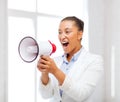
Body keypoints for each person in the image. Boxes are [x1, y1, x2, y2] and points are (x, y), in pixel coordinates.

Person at [37, 16, 104, 102]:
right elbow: (46, 95)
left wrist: (55, 71)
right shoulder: (55, 61)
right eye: (60, 32)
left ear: (80, 34)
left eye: (67, 32)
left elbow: (81, 94)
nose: (62, 36)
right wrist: (44, 72)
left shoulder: (95, 61)